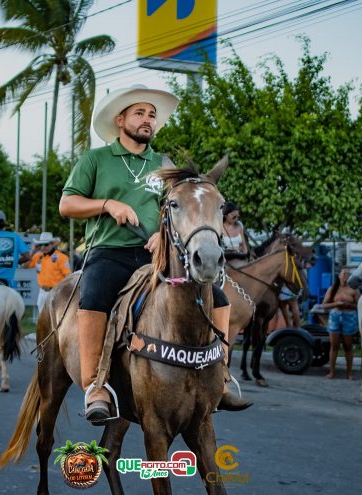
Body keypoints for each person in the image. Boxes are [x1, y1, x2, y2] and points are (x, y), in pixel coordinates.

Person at [59, 85, 251, 424]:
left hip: (154, 254)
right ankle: (96, 386)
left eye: (151, 115)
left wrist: (162, 234)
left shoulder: (162, 165)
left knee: (217, 297)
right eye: (139, 113)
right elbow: (67, 204)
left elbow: (179, 209)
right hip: (108, 252)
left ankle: (219, 377)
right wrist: (107, 204)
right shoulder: (95, 160)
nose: (148, 120)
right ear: (120, 120)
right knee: (94, 296)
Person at [322, 267, 360, 379]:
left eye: (348, 274)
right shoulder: (333, 289)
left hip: (349, 317)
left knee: (348, 346)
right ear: (339, 276)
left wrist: (349, 306)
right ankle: (332, 372)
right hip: (335, 317)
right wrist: (336, 304)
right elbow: (324, 305)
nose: (346, 276)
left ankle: (349, 372)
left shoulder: (354, 290)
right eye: (344, 274)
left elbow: (361, 305)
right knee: (334, 346)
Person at [23, 232, 71, 315]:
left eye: (45, 244)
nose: (43, 247)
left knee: (57, 318)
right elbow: (24, 265)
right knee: (43, 319)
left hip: (57, 292)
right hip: (42, 292)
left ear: (52, 244)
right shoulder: (38, 256)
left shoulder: (61, 257)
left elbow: (68, 276)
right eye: (40, 245)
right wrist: (33, 250)